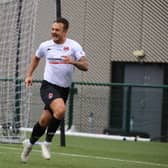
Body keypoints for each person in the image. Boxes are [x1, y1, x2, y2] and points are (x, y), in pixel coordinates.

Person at [21, 17, 88, 163]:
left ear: (65, 31)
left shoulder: (74, 46)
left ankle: (30, 144)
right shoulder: (45, 45)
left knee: (44, 120)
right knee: (61, 110)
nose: (53, 32)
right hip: (48, 86)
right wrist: (29, 75)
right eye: (52, 29)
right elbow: (36, 58)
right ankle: (47, 143)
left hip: (63, 89)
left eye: (57, 30)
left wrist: (73, 62)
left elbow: (85, 66)